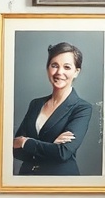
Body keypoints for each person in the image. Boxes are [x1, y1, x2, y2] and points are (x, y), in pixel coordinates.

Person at [13, 41, 92, 176]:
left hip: (60, 182)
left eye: (67, 67)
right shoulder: (35, 104)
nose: (59, 72)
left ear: (76, 72)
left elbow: (62, 153)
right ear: (48, 68)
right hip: (26, 179)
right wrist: (50, 145)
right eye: (54, 66)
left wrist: (26, 142)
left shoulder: (82, 108)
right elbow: (15, 149)